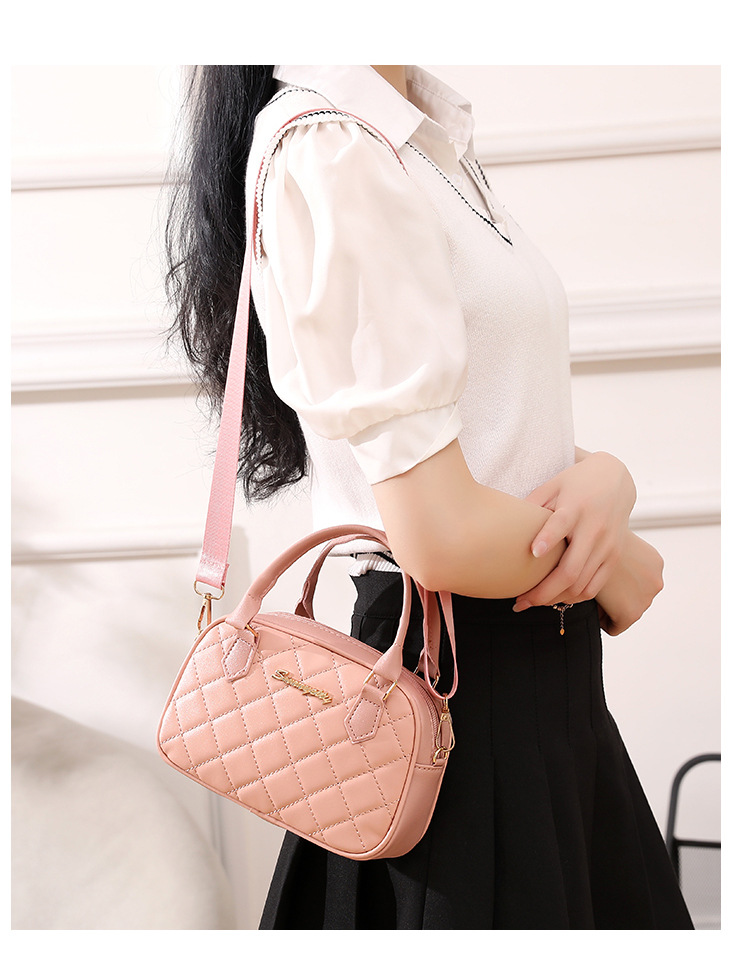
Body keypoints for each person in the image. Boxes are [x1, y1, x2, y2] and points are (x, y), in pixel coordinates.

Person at [164, 64, 694, 930]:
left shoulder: (421, 135)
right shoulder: (333, 146)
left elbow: (488, 432)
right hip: (451, 706)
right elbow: (439, 532)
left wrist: (607, 476)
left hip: (539, 693)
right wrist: (619, 564)